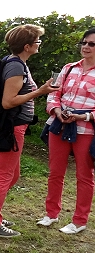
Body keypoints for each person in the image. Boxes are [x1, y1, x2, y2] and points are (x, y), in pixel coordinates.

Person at [0, 24, 58, 237]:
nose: (40, 44)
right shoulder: (16, 66)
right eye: (37, 42)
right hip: (12, 127)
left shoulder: (17, 63)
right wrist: (40, 92)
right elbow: (8, 102)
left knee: (12, 175)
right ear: (27, 46)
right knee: (4, 175)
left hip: (16, 127)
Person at [39, 28, 95, 234]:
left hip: (86, 130)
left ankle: (79, 220)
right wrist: (56, 110)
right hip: (59, 124)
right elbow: (53, 94)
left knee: (84, 175)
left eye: (91, 44)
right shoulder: (69, 68)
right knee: (55, 173)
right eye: (84, 42)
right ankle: (51, 214)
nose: (86, 47)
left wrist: (83, 116)